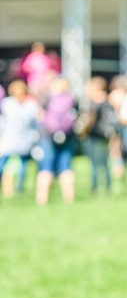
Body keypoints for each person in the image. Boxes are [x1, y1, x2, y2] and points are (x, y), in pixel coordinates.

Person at [36, 76, 78, 205]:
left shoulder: (47, 98)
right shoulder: (72, 99)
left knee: (46, 166)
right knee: (66, 166)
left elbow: (41, 117)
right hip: (68, 136)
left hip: (48, 136)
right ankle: (69, 199)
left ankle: (42, 200)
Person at [0, 80, 40, 197]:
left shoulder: (29, 105)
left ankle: (18, 188)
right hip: (10, 141)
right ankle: (10, 190)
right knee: (7, 166)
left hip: (22, 141)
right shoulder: (8, 104)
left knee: (20, 166)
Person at [78, 77, 117, 194]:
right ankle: (108, 187)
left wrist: (82, 132)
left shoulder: (94, 104)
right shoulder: (109, 102)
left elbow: (88, 120)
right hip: (106, 136)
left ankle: (95, 188)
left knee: (95, 164)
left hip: (95, 135)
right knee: (105, 163)